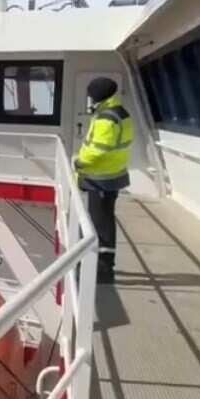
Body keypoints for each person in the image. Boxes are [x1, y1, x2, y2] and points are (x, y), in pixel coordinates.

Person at [74, 77, 133, 285]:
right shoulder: (120, 113)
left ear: (97, 95)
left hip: (100, 178)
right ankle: (105, 264)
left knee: (100, 224)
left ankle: (102, 269)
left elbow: (97, 152)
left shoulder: (106, 118)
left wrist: (78, 163)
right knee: (105, 221)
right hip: (112, 174)